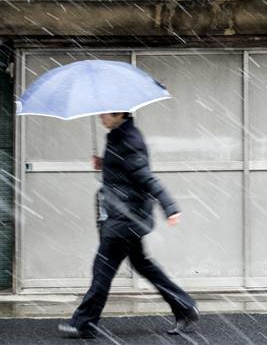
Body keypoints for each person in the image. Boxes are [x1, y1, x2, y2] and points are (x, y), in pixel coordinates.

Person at [58, 112, 200, 339]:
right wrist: (104, 164)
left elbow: (146, 178)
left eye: (104, 114)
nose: (100, 118)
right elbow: (125, 171)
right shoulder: (118, 136)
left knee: (102, 270)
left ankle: (84, 323)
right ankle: (185, 307)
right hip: (125, 215)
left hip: (125, 218)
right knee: (141, 264)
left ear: (120, 114)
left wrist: (170, 207)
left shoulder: (129, 141)